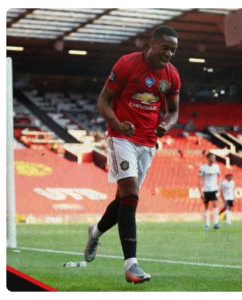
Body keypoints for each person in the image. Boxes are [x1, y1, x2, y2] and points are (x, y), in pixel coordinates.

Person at [83, 26, 181, 284]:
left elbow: (173, 112)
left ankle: (95, 232)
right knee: (132, 195)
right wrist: (117, 124)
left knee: (123, 202)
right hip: (122, 137)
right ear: (152, 43)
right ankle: (131, 265)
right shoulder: (127, 64)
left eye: (173, 50)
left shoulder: (171, 76)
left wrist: (166, 125)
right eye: (166, 47)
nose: (169, 53)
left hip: (148, 143)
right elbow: (103, 101)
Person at [198, 153, 221, 230]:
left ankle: (216, 223)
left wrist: (218, 187)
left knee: (215, 205)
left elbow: (219, 176)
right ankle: (207, 224)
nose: (213, 159)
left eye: (214, 158)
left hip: (214, 189)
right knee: (206, 207)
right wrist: (201, 191)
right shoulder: (203, 168)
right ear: (208, 158)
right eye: (212, 157)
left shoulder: (217, 167)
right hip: (206, 189)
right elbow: (199, 179)